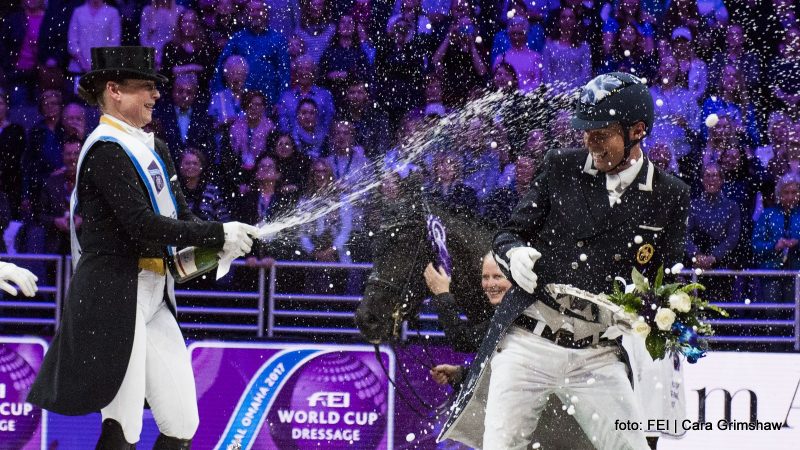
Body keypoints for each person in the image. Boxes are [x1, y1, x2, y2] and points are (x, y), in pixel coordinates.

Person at [439, 72, 690, 450]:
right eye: (585, 133)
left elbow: (665, 282)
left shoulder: (670, 195)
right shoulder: (560, 167)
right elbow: (509, 234)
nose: (590, 143)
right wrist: (513, 255)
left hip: (598, 352)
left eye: (601, 134)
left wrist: (656, 314)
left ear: (637, 130)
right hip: (528, 342)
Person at [26, 46, 258, 449]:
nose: (155, 96)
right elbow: (141, 226)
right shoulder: (104, 149)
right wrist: (217, 232)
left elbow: (183, 222)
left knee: (183, 422)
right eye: (146, 88)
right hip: (114, 296)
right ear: (114, 90)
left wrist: (225, 244)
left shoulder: (157, 147)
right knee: (124, 426)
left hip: (156, 295)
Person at [426, 252, 510, 385]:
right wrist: (460, 374)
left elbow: (463, 340)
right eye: (485, 277)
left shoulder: (516, 315)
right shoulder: (505, 312)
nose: (490, 284)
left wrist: (442, 294)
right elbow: (501, 371)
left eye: (498, 276)